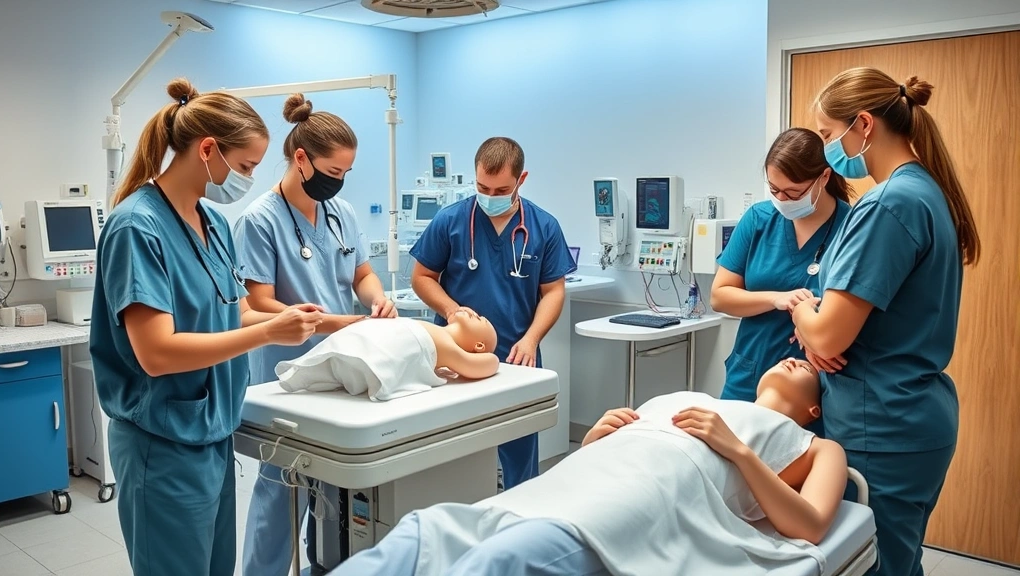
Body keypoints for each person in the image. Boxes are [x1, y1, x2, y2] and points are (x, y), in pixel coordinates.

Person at [89, 78, 325, 576]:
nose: (249, 179)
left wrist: (292, 320)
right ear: (208, 149)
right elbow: (157, 352)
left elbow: (235, 311)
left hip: (213, 432)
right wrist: (266, 333)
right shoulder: (137, 227)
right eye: (245, 167)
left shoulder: (213, 223)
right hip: (161, 439)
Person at [330, 358, 847, 576]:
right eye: (789, 357)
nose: (792, 358)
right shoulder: (700, 397)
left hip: (650, 495)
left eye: (806, 368)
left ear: (814, 410)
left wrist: (738, 451)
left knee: (504, 560)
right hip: (583, 477)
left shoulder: (817, 446)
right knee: (426, 532)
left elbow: (808, 524)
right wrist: (594, 441)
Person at [790, 68, 981, 576]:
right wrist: (818, 331)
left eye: (829, 136)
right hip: (911, 413)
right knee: (898, 560)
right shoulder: (923, 191)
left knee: (873, 565)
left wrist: (802, 312)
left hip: (883, 423)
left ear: (864, 125)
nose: (827, 148)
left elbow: (830, 331)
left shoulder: (888, 203)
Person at [235, 94, 397, 576]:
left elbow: (361, 273)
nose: (339, 180)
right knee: (282, 487)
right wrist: (335, 322)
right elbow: (259, 303)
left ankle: (323, 565)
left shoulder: (341, 212)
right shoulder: (259, 220)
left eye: (346, 172)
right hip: (287, 374)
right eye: (333, 169)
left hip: (342, 368)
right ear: (301, 159)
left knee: (332, 487)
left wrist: (376, 298)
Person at [410, 137, 576, 490]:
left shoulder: (543, 227)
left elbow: (553, 291)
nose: (489, 195)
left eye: (501, 189)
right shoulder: (451, 221)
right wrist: (452, 311)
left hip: (518, 356)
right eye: (482, 186)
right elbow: (422, 277)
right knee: (454, 456)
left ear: (521, 179)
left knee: (519, 457)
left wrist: (532, 339)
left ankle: (516, 523)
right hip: (454, 359)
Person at [712, 128, 852, 436]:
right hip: (750, 370)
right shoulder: (760, 219)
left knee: (795, 473)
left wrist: (814, 331)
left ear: (824, 178)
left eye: (793, 192)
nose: (781, 200)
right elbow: (720, 296)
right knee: (728, 465)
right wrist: (776, 298)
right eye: (774, 189)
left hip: (810, 388)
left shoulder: (852, 228)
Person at [275, 311, 501, 397]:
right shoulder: (440, 334)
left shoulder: (449, 349)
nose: (476, 313)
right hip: (367, 336)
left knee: (363, 349)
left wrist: (493, 358)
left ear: (479, 347)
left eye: (482, 318)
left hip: (377, 354)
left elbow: (486, 364)